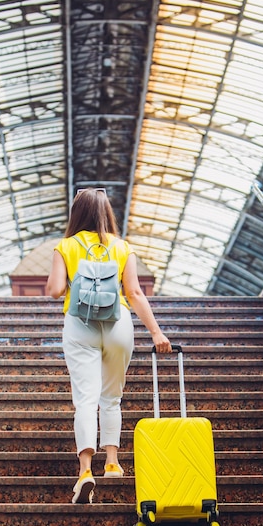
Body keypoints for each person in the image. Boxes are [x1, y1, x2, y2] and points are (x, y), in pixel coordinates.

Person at [46, 187, 172, 504]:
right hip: (119, 325)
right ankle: (113, 462)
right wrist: (156, 333)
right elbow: (135, 294)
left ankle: (85, 470)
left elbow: (54, 290)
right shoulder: (121, 247)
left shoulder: (65, 246)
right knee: (111, 397)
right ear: (107, 214)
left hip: (80, 325)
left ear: (77, 214)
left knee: (86, 399)